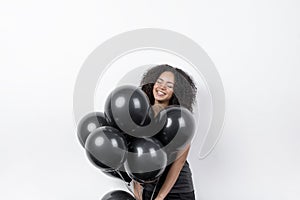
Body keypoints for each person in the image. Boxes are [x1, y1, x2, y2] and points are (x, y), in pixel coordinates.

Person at [133, 64, 197, 200]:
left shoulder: (180, 118)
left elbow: (179, 162)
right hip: (149, 188)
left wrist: (161, 196)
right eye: (159, 82)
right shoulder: (140, 113)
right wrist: (136, 184)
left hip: (177, 189)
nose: (162, 87)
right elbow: (134, 151)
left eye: (169, 85)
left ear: (177, 91)